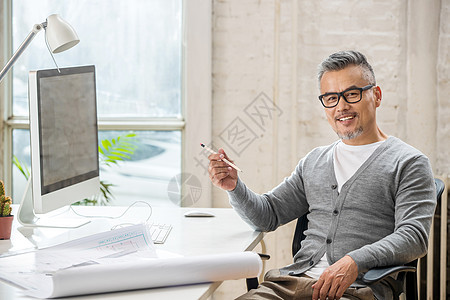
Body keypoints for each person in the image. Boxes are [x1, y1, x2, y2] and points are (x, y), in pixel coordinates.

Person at [207, 50, 437, 300]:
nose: (341, 106)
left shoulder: (409, 163)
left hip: (357, 290)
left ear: (377, 95)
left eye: (352, 94)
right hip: (291, 285)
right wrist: (234, 186)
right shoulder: (314, 162)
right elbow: (268, 215)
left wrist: (354, 261)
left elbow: (413, 237)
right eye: (331, 98)